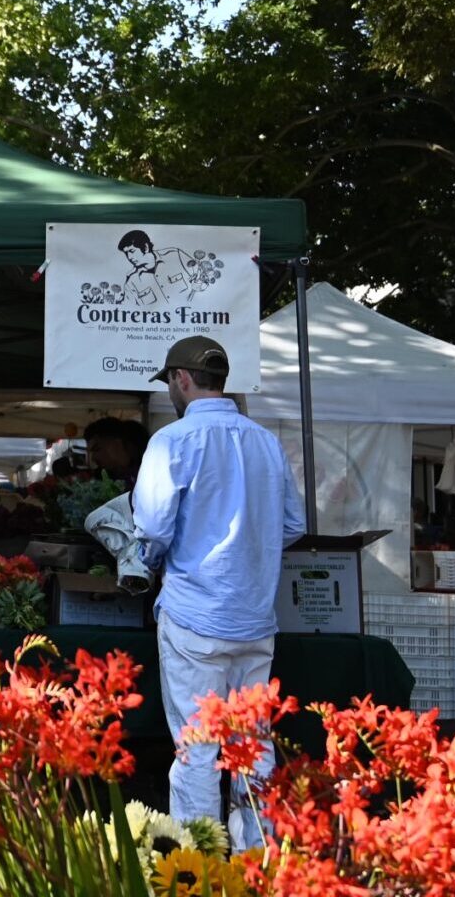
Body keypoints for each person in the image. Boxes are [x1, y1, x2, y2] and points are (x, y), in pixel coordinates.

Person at [132, 335, 305, 846]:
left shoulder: (171, 441)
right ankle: (258, 855)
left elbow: (154, 530)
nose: (170, 391)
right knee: (254, 743)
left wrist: (149, 561)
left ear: (181, 379)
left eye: (169, 382)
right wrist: (251, 550)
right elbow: (293, 523)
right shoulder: (265, 441)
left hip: (194, 614)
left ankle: (199, 861)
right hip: (254, 616)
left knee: (197, 745)